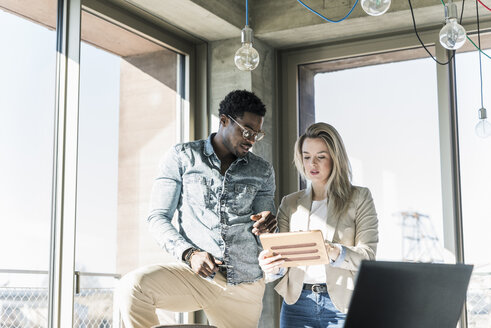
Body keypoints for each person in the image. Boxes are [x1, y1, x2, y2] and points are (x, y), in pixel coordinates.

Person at [117, 90, 277, 328]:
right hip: (198, 276)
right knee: (133, 286)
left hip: (246, 284)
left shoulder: (262, 170)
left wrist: (268, 226)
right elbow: (157, 217)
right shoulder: (183, 157)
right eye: (246, 131)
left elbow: (265, 233)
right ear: (224, 120)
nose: (251, 139)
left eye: (257, 134)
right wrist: (189, 254)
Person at [258, 122, 378, 328]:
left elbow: (368, 257)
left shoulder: (359, 198)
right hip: (297, 305)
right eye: (306, 157)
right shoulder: (290, 203)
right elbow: (282, 263)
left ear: (335, 158)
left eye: (321, 157)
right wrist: (272, 266)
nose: (312, 164)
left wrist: (332, 250)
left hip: (343, 305)